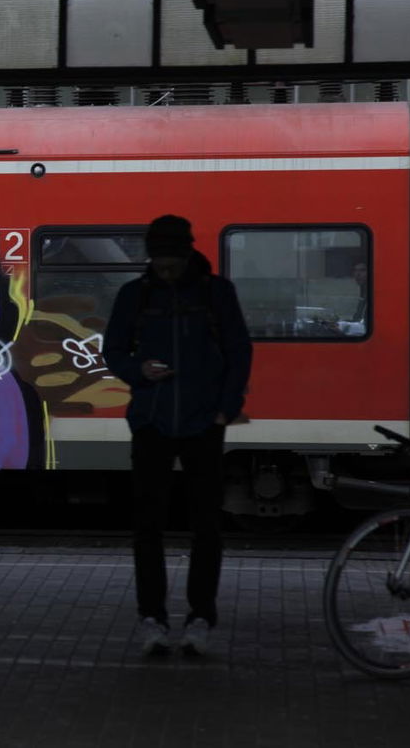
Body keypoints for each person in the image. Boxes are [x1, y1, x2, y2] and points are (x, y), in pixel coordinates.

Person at [103, 215, 252, 657]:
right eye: (158, 260)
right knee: (147, 526)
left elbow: (240, 350)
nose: (164, 268)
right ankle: (152, 616)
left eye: (171, 261)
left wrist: (226, 409)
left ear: (187, 255)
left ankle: (200, 616)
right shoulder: (135, 295)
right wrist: (138, 372)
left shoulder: (216, 293)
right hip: (151, 422)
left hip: (204, 423)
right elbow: (113, 350)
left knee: (206, 526)